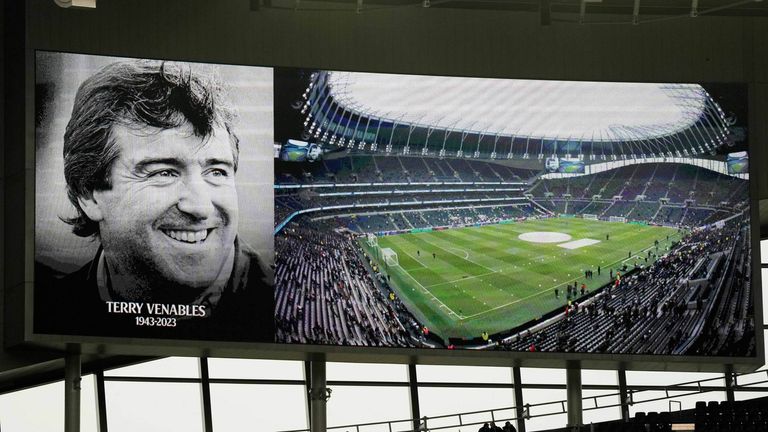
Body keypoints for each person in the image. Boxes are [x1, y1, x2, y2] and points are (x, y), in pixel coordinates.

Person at [35, 60, 273, 341]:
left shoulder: (278, 311)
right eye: (164, 172)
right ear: (89, 193)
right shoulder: (46, 312)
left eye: (217, 171)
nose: (199, 206)